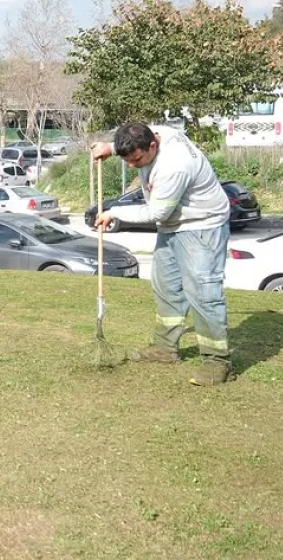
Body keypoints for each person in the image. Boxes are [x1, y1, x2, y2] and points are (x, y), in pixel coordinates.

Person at [92, 123, 234, 385]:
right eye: (128, 160)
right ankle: (165, 348)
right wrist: (110, 149)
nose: (133, 166)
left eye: (137, 159)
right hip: (174, 225)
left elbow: (156, 213)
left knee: (203, 293)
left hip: (202, 225)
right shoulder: (156, 132)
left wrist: (114, 213)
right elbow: (133, 142)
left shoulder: (174, 166)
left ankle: (217, 361)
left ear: (153, 146)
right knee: (166, 285)